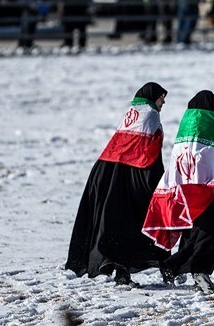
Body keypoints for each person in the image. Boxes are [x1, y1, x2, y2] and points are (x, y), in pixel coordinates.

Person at [66, 82, 170, 287]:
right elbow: (149, 151)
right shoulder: (150, 114)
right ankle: (160, 268)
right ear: (152, 97)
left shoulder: (132, 112)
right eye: (161, 97)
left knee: (114, 225)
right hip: (133, 176)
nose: (163, 102)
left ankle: (121, 272)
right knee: (139, 224)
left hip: (108, 173)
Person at [142, 90, 214, 294]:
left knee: (191, 233)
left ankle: (174, 267)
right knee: (210, 233)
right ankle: (198, 271)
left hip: (183, 193)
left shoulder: (184, 130)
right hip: (206, 193)